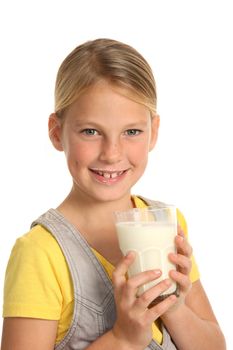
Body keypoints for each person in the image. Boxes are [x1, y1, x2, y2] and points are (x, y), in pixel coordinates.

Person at [1, 38, 226, 350]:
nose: (111, 153)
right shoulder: (41, 253)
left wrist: (174, 308)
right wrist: (121, 339)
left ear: (154, 132)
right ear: (56, 132)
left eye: (131, 132)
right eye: (91, 131)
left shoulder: (165, 224)